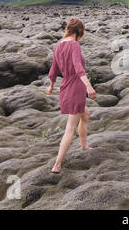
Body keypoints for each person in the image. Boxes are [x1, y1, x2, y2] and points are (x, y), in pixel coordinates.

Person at [46, 17, 96, 173]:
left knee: (85, 115)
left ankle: (84, 146)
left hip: (65, 86)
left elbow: (53, 69)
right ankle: (57, 164)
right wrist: (89, 86)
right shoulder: (74, 45)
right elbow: (78, 67)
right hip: (76, 86)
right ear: (79, 31)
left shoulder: (58, 45)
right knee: (70, 127)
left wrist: (51, 85)